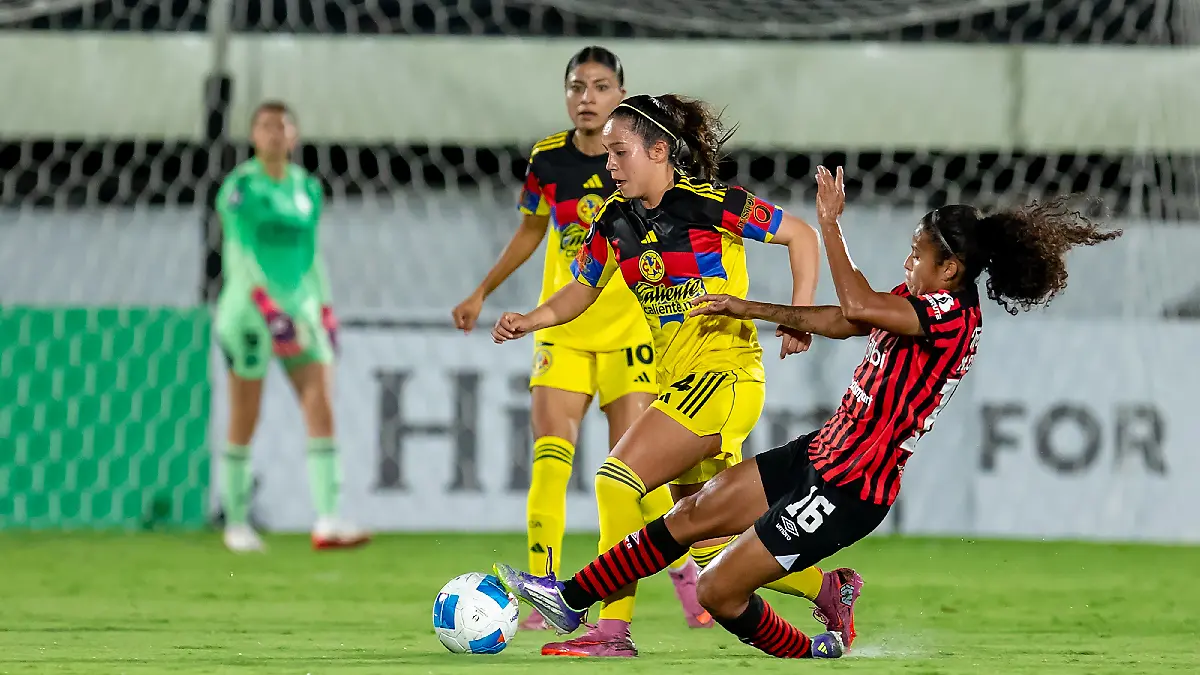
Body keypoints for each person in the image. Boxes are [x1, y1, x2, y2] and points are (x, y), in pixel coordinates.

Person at [494, 166, 1123, 659]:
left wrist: (829, 224)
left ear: (951, 268)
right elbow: (845, 318)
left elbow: (854, 299)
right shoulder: (918, 299)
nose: (909, 263)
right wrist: (753, 309)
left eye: (917, 254)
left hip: (851, 485)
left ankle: (812, 651)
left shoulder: (950, 316)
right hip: (822, 451)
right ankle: (571, 598)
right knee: (694, 513)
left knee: (717, 590)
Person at [490, 93, 827, 657]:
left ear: (659, 151)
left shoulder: (708, 204)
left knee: (615, 478)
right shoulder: (613, 221)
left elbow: (801, 235)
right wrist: (533, 319)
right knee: (708, 547)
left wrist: (798, 315)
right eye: (607, 155)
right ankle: (828, 588)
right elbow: (582, 289)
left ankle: (609, 628)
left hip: (724, 377)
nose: (610, 165)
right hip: (684, 387)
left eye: (620, 152)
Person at [451, 47, 710, 631]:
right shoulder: (548, 160)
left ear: (621, 93)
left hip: (629, 331)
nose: (585, 97)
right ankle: (545, 587)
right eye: (576, 86)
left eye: (599, 86)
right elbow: (529, 232)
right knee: (550, 460)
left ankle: (689, 578)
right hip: (564, 330)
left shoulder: (640, 162)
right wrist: (482, 292)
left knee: (637, 475)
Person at [214, 101, 369, 553]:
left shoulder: (308, 188)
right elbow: (240, 250)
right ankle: (236, 523)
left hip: (298, 312)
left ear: (294, 135)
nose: (274, 133)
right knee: (247, 413)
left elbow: (311, 252)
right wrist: (265, 304)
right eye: (265, 126)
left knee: (321, 403)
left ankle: (327, 520)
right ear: (253, 136)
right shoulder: (240, 188)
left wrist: (324, 308)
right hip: (249, 311)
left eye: (281, 126)